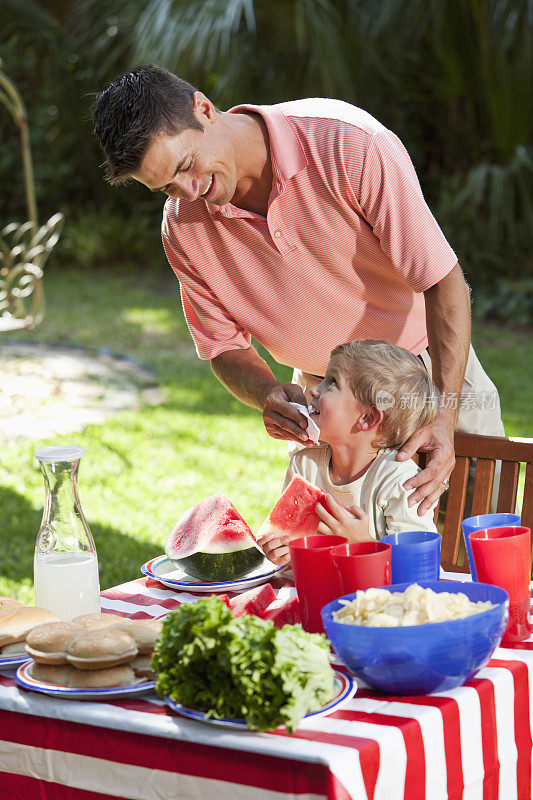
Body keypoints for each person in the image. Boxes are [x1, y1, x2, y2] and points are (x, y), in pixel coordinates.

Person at [92, 65, 505, 517]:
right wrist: (266, 391)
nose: (188, 191)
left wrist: (445, 416)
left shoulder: (347, 143)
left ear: (204, 109)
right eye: (166, 186)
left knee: (479, 549)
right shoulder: (183, 229)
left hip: (429, 376)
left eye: (186, 165)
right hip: (330, 399)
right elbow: (223, 348)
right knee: (337, 570)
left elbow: (442, 280)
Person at [257, 340, 439, 566]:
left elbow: (420, 567)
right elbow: (298, 556)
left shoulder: (399, 481)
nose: (313, 389)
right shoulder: (304, 465)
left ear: (367, 418)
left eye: (331, 383)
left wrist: (363, 544)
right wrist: (283, 553)